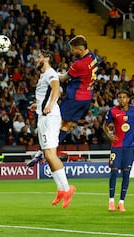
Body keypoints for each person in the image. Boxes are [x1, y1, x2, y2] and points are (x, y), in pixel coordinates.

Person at [27, 35, 97, 166]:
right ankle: (45, 152)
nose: (72, 51)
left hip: (75, 97)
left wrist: (52, 74)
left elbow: (63, 78)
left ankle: (44, 152)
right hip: (87, 98)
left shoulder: (78, 64)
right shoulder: (92, 57)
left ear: (80, 49)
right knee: (66, 125)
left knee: (55, 123)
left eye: (73, 49)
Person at [29, 49, 75, 208]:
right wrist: (39, 105)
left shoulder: (50, 73)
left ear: (47, 58)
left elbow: (56, 89)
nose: (37, 60)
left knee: (50, 153)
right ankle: (61, 189)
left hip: (50, 117)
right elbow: (46, 94)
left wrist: (49, 105)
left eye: (39, 57)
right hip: (43, 116)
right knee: (48, 156)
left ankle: (68, 188)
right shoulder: (43, 75)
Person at [103, 90, 134, 212]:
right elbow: (105, 125)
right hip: (117, 146)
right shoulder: (113, 111)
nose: (121, 99)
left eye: (124, 97)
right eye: (119, 97)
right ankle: (111, 201)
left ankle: (121, 202)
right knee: (114, 172)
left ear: (128, 99)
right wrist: (109, 135)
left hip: (129, 147)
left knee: (126, 173)